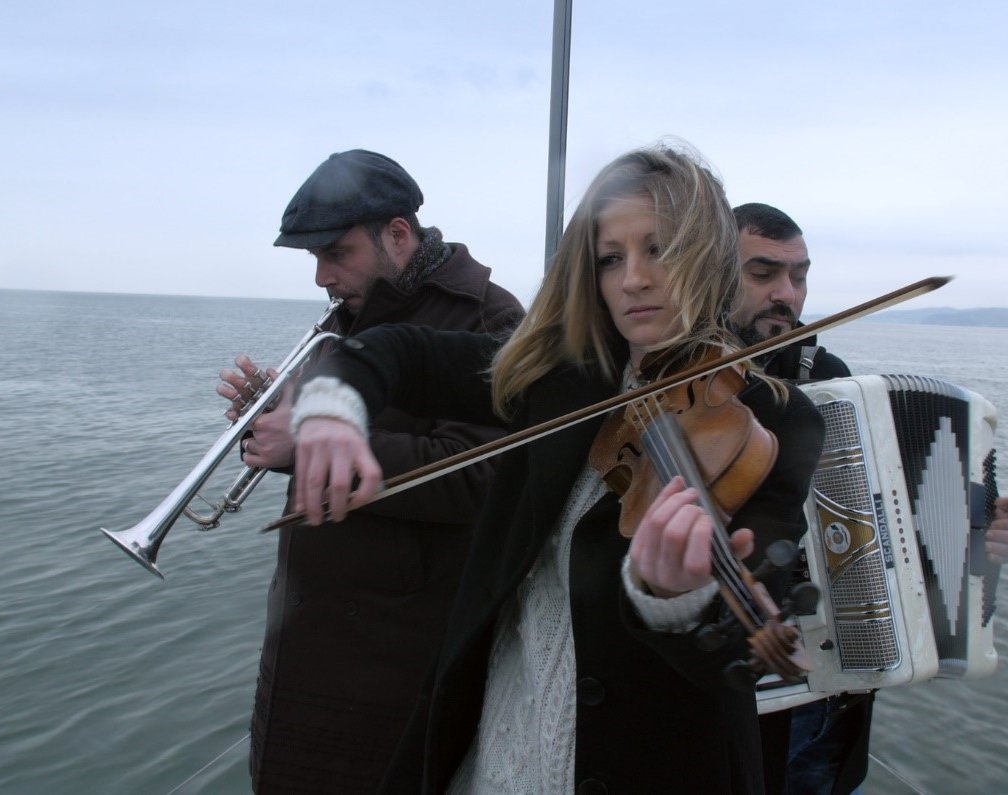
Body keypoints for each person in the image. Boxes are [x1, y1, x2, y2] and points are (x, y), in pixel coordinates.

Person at [282, 144, 826, 793]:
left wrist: (677, 598)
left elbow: (726, 651)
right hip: (495, 741)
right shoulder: (559, 379)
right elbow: (399, 350)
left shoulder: (774, 420)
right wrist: (331, 409)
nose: (633, 279)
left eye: (661, 250)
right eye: (610, 258)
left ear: (708, 257)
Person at [217, 149, 524, 793]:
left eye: (336, 253)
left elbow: (481, 480)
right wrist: (271, 425)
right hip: (302, 648)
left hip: (398, 660)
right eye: (315, 259)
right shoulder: (339, 327)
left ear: (398, 235)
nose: (322, 276)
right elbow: (325, 462)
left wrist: (305, 445)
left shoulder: (491, 318)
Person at [732, 202, 1008, 794]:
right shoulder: (680, 381)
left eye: (799, 276)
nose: (787, 295)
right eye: (763, 274)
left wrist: (978, 532)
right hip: (734, 680)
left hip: (834, 679)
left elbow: (884, 512)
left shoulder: (831, 377)